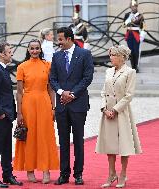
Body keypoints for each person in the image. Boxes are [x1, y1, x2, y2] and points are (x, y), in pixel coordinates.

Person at [49, 27, 94, 185]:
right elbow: (52, 79)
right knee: (63, 141)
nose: (58, 42)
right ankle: (64, 174)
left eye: (60, 39)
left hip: (78, 104)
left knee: (78, 141)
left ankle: (78, 174)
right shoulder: (56, 56)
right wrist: (62, 92)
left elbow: (87, 78)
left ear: (69, 39)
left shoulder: (84, 54)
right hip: (62, 105)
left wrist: (73, 94)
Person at [95, 44, 142, 188]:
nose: (111, 58)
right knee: (110, 145)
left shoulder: (130, 72)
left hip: (121, 113)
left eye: (113, 55)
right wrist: (104, 109)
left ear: (122, 57)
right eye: (110, 55)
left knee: (124, 145)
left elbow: (129, 95)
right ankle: (111, 173)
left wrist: (115, 110)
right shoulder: (108, 71)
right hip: (107, 112)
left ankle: (123, 174)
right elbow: (103, 92)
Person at [13, 39, 59, 184]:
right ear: (28, 49)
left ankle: (46, 170)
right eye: (32, 48)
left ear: (40, 49)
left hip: (44, 103)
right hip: (28, 105)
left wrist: (53, 107)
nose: (34, 51)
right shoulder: (21, 67)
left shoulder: (48, 65)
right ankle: (30, 169)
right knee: (30, 137)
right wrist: (19, 112)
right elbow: (19, 92)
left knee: (45, 136)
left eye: (37, 48)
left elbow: (51, 88)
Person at [0, 42, 23, 188]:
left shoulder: (2, 69)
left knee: (7, 147)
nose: (12, 54)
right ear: (2, 54)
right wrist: (0, 113)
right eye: (9, 51)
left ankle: (7, 175)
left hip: (7, 115)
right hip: (0, 117)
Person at [123, 0, 145, 73]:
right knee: (130, 52)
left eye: (134, 6)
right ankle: (133, 67)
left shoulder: (140, 16)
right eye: (132, 6)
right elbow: (123, 25)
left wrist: (142, 35)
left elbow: (143, 26)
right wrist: (129, 19)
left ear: (137, 7)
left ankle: (136, 66)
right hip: (129, 34)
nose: (133, 8)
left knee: (136, 51)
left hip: (136, 34)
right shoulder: (127, 15)